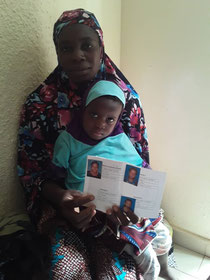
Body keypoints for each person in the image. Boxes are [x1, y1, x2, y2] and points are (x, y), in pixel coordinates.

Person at [17, 9, 174, 280]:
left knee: (117, 273)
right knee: (65, 271)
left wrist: (132, 205)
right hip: (64, 207)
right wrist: (60, 199)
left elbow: (139, 165)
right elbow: (32, 175)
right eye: (66, 48)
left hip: (118, 213)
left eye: (87, 45)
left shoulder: (127, 100)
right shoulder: (40, 105)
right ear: (57, 52)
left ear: (101, 47)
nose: (78, 55)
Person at [51, 80, 160, 279]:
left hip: (119, 206)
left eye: (110, 119)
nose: (101, 124)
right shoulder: (68, 140)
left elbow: (139, 167)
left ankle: (165, 262)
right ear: (83, 110)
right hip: (87, 209)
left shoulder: (118, 139)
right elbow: (56, 175)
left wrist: (149, 185)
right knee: (146, 257)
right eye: (94, 114)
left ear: (118, 119)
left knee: (161, 237)